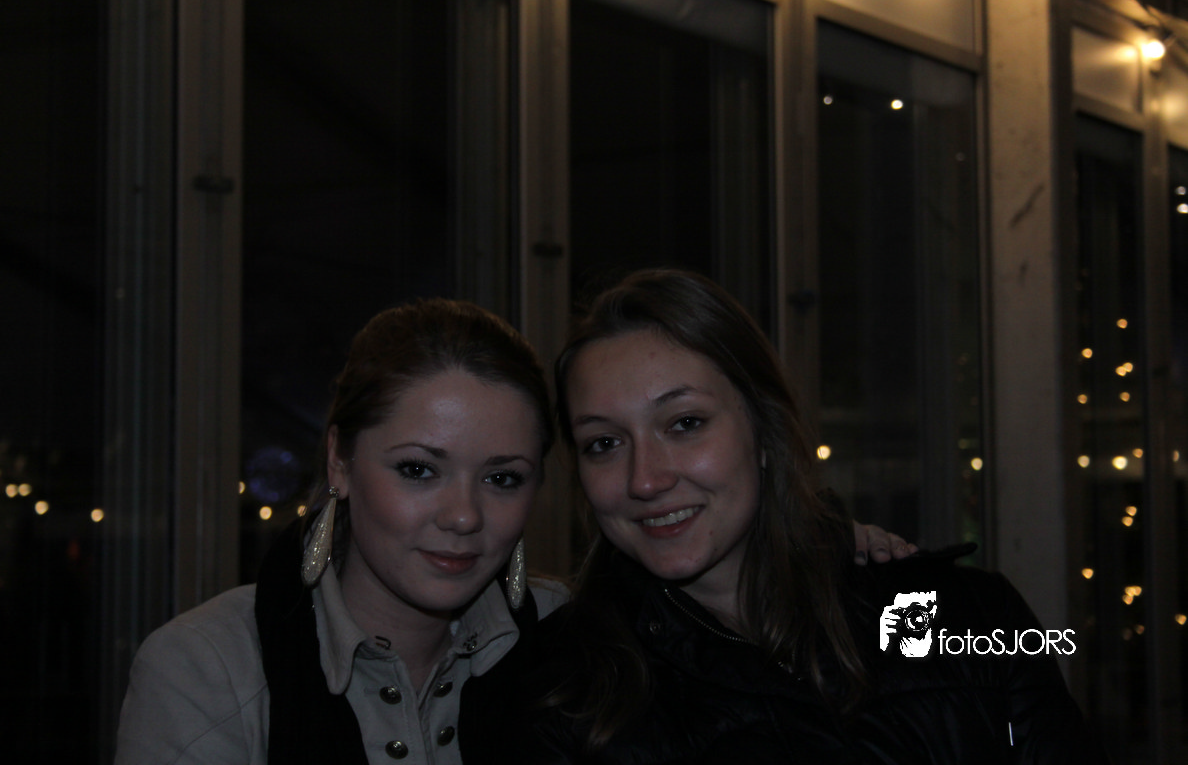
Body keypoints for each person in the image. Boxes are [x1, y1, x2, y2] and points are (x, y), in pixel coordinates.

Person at [115, 297, 910, 765]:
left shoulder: (584, 641)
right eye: (419, 469)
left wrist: (835, 550)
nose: (464, 516)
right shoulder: (209, 671)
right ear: (339, 461)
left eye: (502, 478)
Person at [459, 269, 1103, 765]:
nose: (645, 479)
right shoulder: (548, 696)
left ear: (763, 431)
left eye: (685, 423)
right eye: (604, 442)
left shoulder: (971, 617)